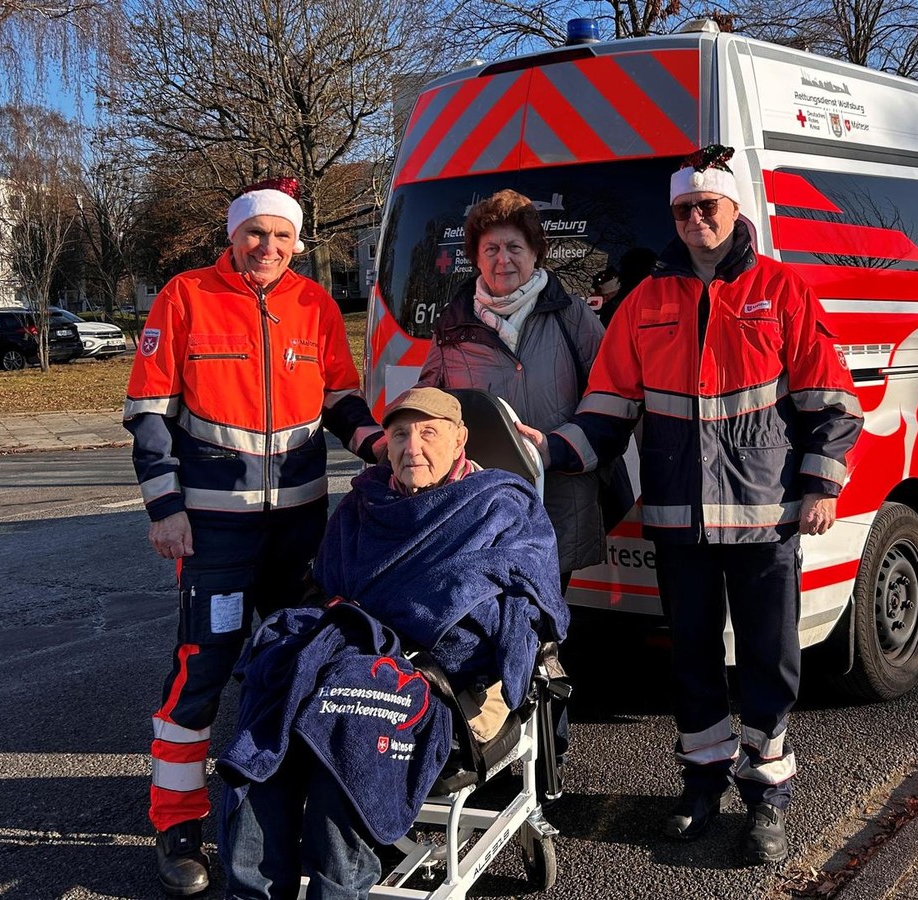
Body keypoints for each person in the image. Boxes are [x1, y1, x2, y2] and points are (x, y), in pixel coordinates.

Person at [520, 145, 863, 865]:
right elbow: (607, 408)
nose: (695, 219)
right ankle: (702, 784)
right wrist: (546, 449)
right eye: (683, 210)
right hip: (680, 519)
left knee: (770, 660)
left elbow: (831, 400)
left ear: (734, 209)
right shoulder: (646, 301)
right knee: (693, 661)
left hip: (766, 516)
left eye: (708, 206)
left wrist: (821, 486)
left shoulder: (781, 288)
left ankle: (766, 797)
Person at [124, 176, 388, 897]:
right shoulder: (185, 296)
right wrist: (164, 508)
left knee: (301, 669)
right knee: (201, 675)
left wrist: (378, 446)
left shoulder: (316, 303)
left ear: (297, 242)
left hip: (300, 530)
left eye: (281, 236)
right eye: (255, 233)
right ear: (233, 236)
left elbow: (340, 399)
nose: (267, 246)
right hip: (214, 531)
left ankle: (287, 814)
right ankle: (177, 825)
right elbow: (149, 414)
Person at [219, 387, 568, 900]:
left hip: (448, 674)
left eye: (428, 433)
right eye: (400, 435)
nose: (412, 448)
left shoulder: (499, 504)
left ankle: (338, 889)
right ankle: (253, 890)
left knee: (348, 734)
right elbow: (325, 589)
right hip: (350, 655)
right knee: (268, 718)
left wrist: (420, 624)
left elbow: (524, 600)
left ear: (460, 440)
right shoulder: (364, 505)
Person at [416, 189, 606, 588]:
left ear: (536, 252)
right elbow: (429, 402)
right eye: (491, 249)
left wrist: (558, 448)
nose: (503, 259)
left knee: (547, 604)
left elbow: (609, 397)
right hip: (481, 500)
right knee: (488, 607)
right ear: (476, 257)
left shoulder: (572, 315)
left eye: (515, 247)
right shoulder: (452, 325)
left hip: (558, 494)